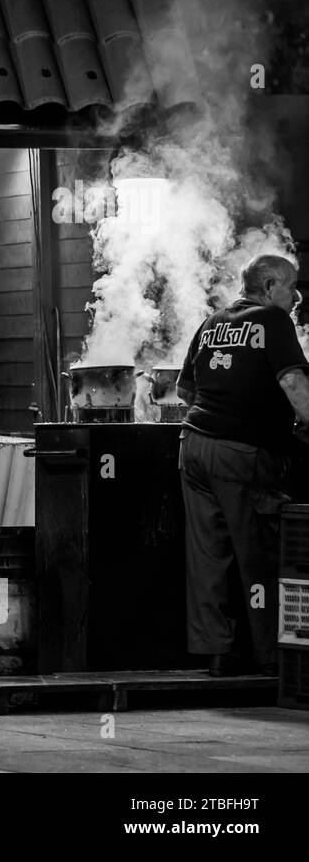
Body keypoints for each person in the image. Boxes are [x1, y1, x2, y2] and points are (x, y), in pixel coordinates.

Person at [177, 254, 309, 677]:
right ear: (270, 286)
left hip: (193, 446)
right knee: (258, 555)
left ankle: (216, 652)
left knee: (207, 554)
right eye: (292, 287)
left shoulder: (213, 321)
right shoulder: (273, 320)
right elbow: (293, 382)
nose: (296, 297)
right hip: (241, 454)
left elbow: (184, 390)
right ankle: (269, 656)